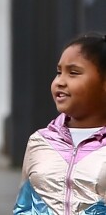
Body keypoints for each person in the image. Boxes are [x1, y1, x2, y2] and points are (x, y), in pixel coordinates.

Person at [13, 31, 106, 215]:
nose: (60, 82)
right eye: (58, 72)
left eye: (73, 73)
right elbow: (23, 208)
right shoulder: (40, 141)